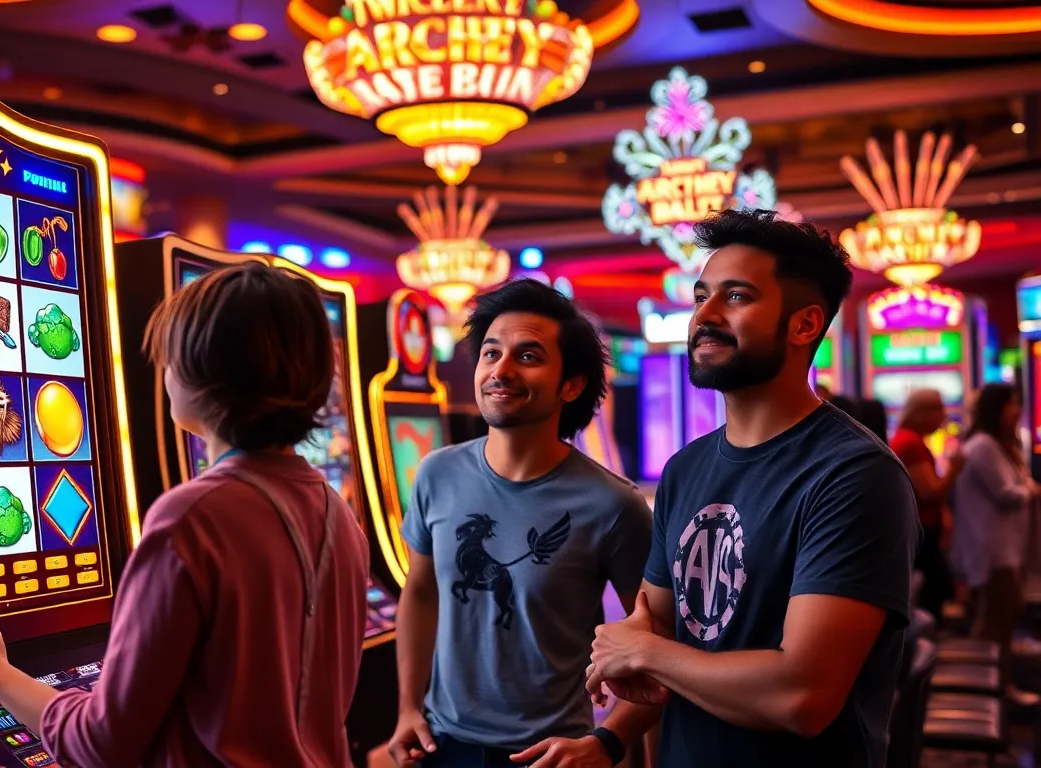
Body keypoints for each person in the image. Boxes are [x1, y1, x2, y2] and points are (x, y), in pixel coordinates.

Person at [0, 262, 371, 767]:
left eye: (170, 356)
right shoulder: (339, 515)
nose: (164, 370)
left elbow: (101, 746)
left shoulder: (194, 518)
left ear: (204, 371)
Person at [585, 209, 918, 768]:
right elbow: (663, 633)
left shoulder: (855, 474)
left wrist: (646, 651)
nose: (704, 316)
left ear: (805, 325)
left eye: (735, 297)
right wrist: (608, 740)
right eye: (700, 296)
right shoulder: (685, 469)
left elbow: (802, 695)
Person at [389, 279, 653, 767]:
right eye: (491, 353)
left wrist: (609, 742)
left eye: (528, 357)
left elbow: (661, 646)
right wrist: (408, 706)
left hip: (551, 753)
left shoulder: (612, 503)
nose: (501, 370)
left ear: (570, 384)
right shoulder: (435, 473)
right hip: (443, 745)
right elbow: (421, 593)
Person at [953, 382, 1041, 706]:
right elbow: (1006, 494)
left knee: (1002, 618)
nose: (1017, 410)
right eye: (1011, 404)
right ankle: (977, 692)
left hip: (1006, 546)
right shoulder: (982, 446)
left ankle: (998, 688)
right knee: (994, 620)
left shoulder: (999, 444)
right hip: (992, 548)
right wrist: (1032, 490)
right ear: (995, 408)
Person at [889, 388, 962, 620]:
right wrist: (954, 470)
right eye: (939, 409)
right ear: (922, 412)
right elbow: (929, 491)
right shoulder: (909, 443)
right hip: (922, 528)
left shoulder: (910, 440)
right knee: (933, 592)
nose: (943, 416)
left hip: (921, 526)